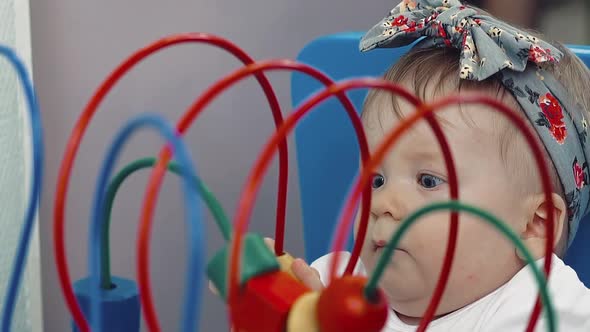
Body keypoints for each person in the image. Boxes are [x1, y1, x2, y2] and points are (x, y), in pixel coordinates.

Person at [274, 0, 590, 330]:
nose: (383, 205)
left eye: (427, 181)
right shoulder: (337, 280)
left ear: (534, 225)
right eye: (376, 180)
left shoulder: (540, 308)